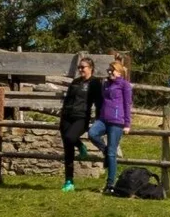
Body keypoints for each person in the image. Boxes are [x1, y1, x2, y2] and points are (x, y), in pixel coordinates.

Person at [88, 54, 134, 194]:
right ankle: (105, 150)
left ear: (119, 72)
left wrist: (127, 123)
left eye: (112, 70)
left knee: (112, 153)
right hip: (103, 119)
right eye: (109, 70)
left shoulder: (124, 85)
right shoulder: (106, 84)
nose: (109, 72)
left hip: (116, 121)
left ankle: (110, 184)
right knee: (92, 133)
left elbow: (127, 104)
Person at [57, 57, 102, 192]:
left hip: (81, 118)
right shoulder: (75, 82)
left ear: (91, 68)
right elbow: (68, 99)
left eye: (83, 67)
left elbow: (98, 102)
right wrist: (63, 113)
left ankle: (80, 145)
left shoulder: (95, 83)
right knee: (67, 149)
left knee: (71, 138)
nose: (81, 69)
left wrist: (99, 120)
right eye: (79, 67)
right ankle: (69, 181)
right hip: (66, 117)